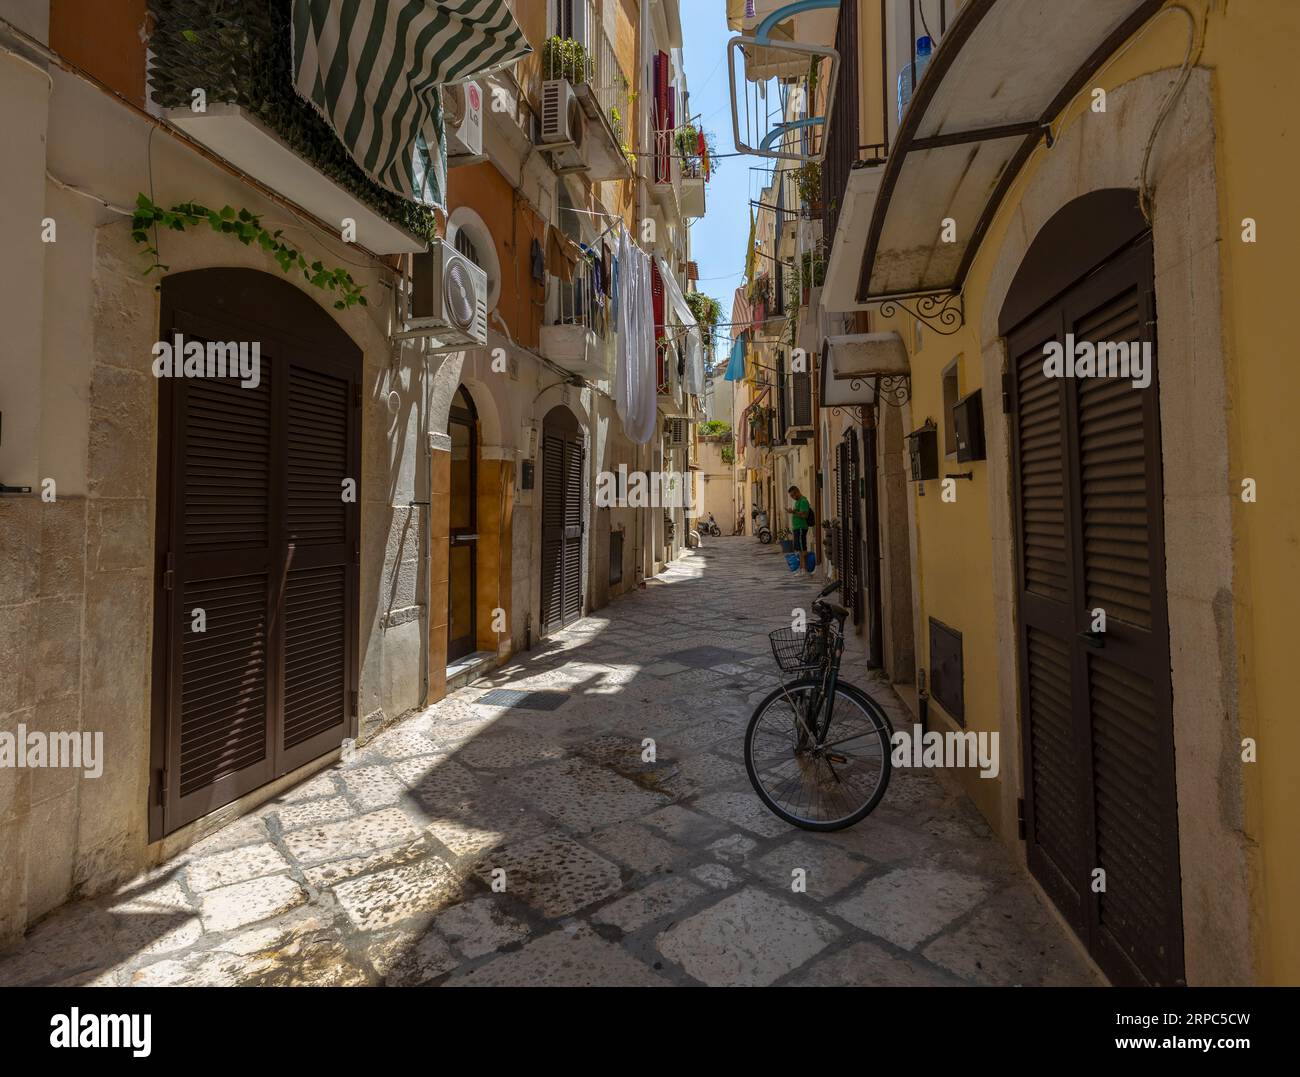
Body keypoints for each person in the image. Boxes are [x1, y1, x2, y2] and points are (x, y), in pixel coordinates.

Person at [788, 485, 811, 552]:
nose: (792, 497)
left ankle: (803, 562)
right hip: (797, 528)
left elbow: (805, 515)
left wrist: (793, 512)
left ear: (797, 492)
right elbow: (798, 512)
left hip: (801, 527)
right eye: (791, 496)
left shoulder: (803, 501)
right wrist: (793, 512)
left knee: (802, 548)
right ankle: (801, 562)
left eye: (792, 495)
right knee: (798, 549)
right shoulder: (797, 502)